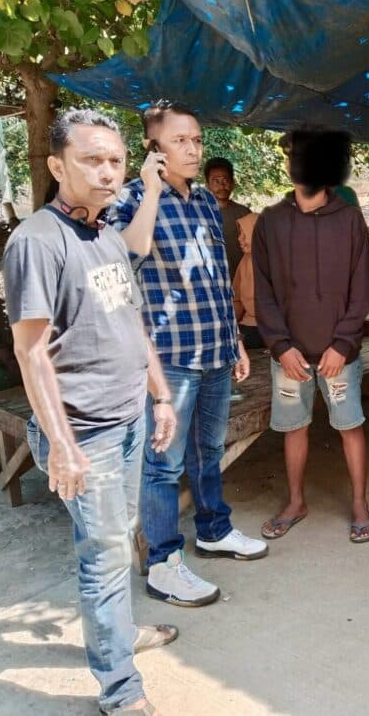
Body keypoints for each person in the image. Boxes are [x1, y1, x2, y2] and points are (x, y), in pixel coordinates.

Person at [3, 109, 180, 715]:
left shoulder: (105, 233)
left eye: (115, 161)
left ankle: (119, 635)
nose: (108, 173)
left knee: (117, 540)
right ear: (58, 167)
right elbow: (30, 352)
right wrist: (62, 444)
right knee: (103, 559)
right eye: (92, 160)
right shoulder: (36, 241)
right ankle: (120, 688)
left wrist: (160, 395)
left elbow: (131, 320)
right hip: (86, 431)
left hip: (128, 417)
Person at [107, 100, 266, 609]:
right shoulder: (130, 198)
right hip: (169, 358)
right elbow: (125, 256)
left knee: (209, 451)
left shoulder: (203, 202)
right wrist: (152, 191)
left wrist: (234, 339)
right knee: (163, 465)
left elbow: (216, 278)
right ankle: (163, 563)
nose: (193, 149)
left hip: (214, 347)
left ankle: (214, 531)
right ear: (153, 148)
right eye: (180, 141)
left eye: (196, 139)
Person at [254, 127, 369, 544]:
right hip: (290, 355)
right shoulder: (270, 221)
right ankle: (295, 502)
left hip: (338, 355)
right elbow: (263, 291)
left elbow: (362, 289)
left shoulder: (350, 220)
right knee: (294, 428)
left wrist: (342, 344)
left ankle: (359, 504)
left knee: (350, 425)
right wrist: (280, 346)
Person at [204, 156, 252, 278]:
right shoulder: (198, 213)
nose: (221, 186)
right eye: (216, 181)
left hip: (239, 281)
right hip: (209, 282)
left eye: (225, 180)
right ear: (207, 185)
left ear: (233, 183)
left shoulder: (244, 214)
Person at [231, 212, 264, 349]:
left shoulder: (278, 258)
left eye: (244, 233)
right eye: (239, 234)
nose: (240, 238)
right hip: (249, 326)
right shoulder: (245, 260)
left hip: (274, 329)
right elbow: (236, 300)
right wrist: (231, 326)